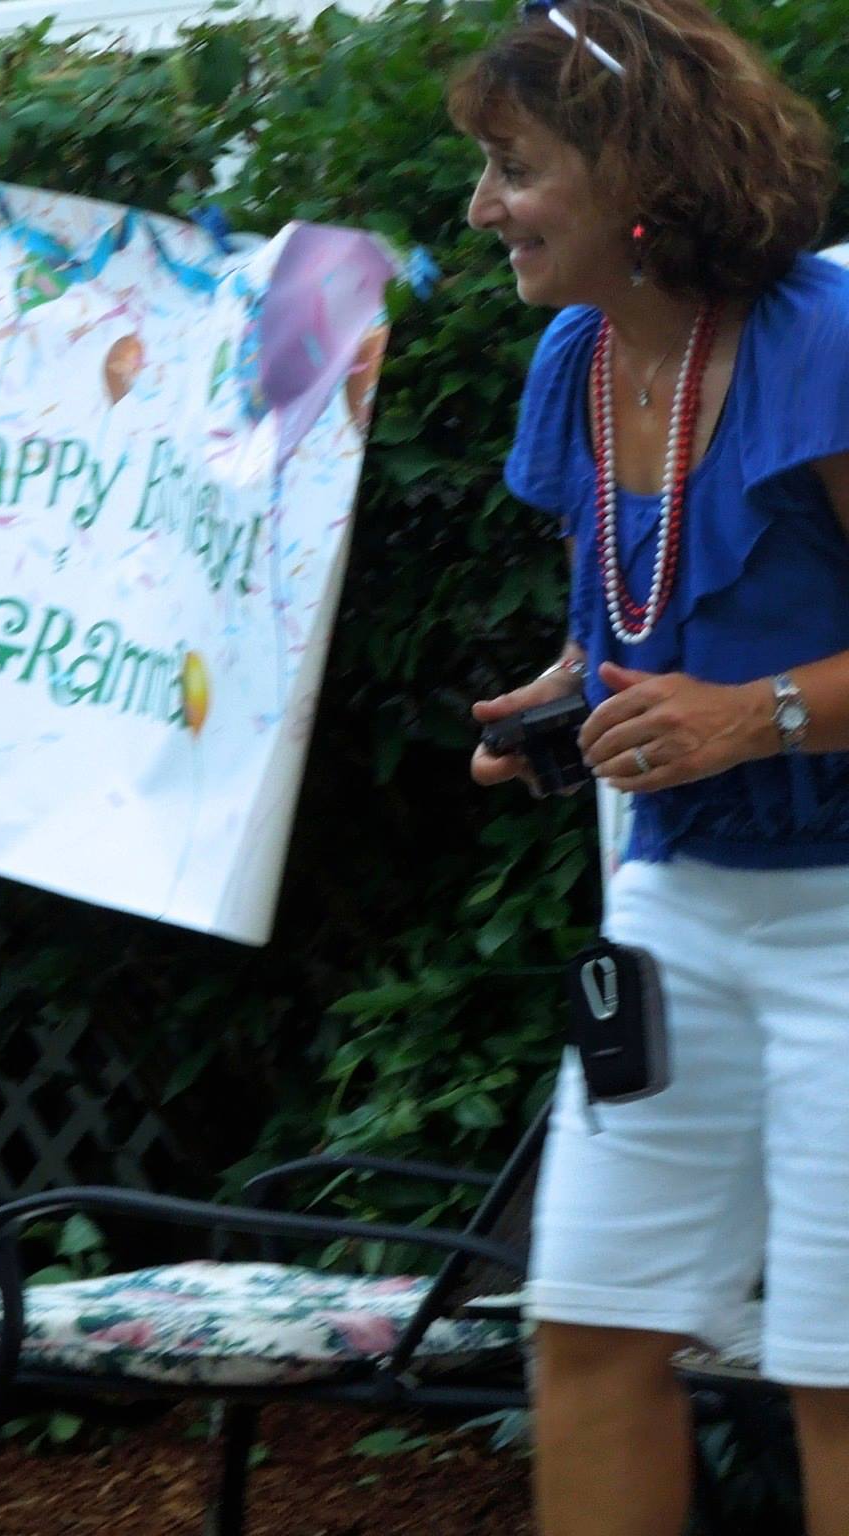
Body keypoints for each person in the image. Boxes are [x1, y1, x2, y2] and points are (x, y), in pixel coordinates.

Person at [455, 3, 849, 1532]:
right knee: (593, 1329)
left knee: (835, 1371)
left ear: (637, 173)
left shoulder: (821, 345)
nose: (481, 207)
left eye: (513, 167)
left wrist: (755, 717)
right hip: (674, 913)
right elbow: (636, 599)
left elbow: (744, 682)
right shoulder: (577, 358)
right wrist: (576, 692)